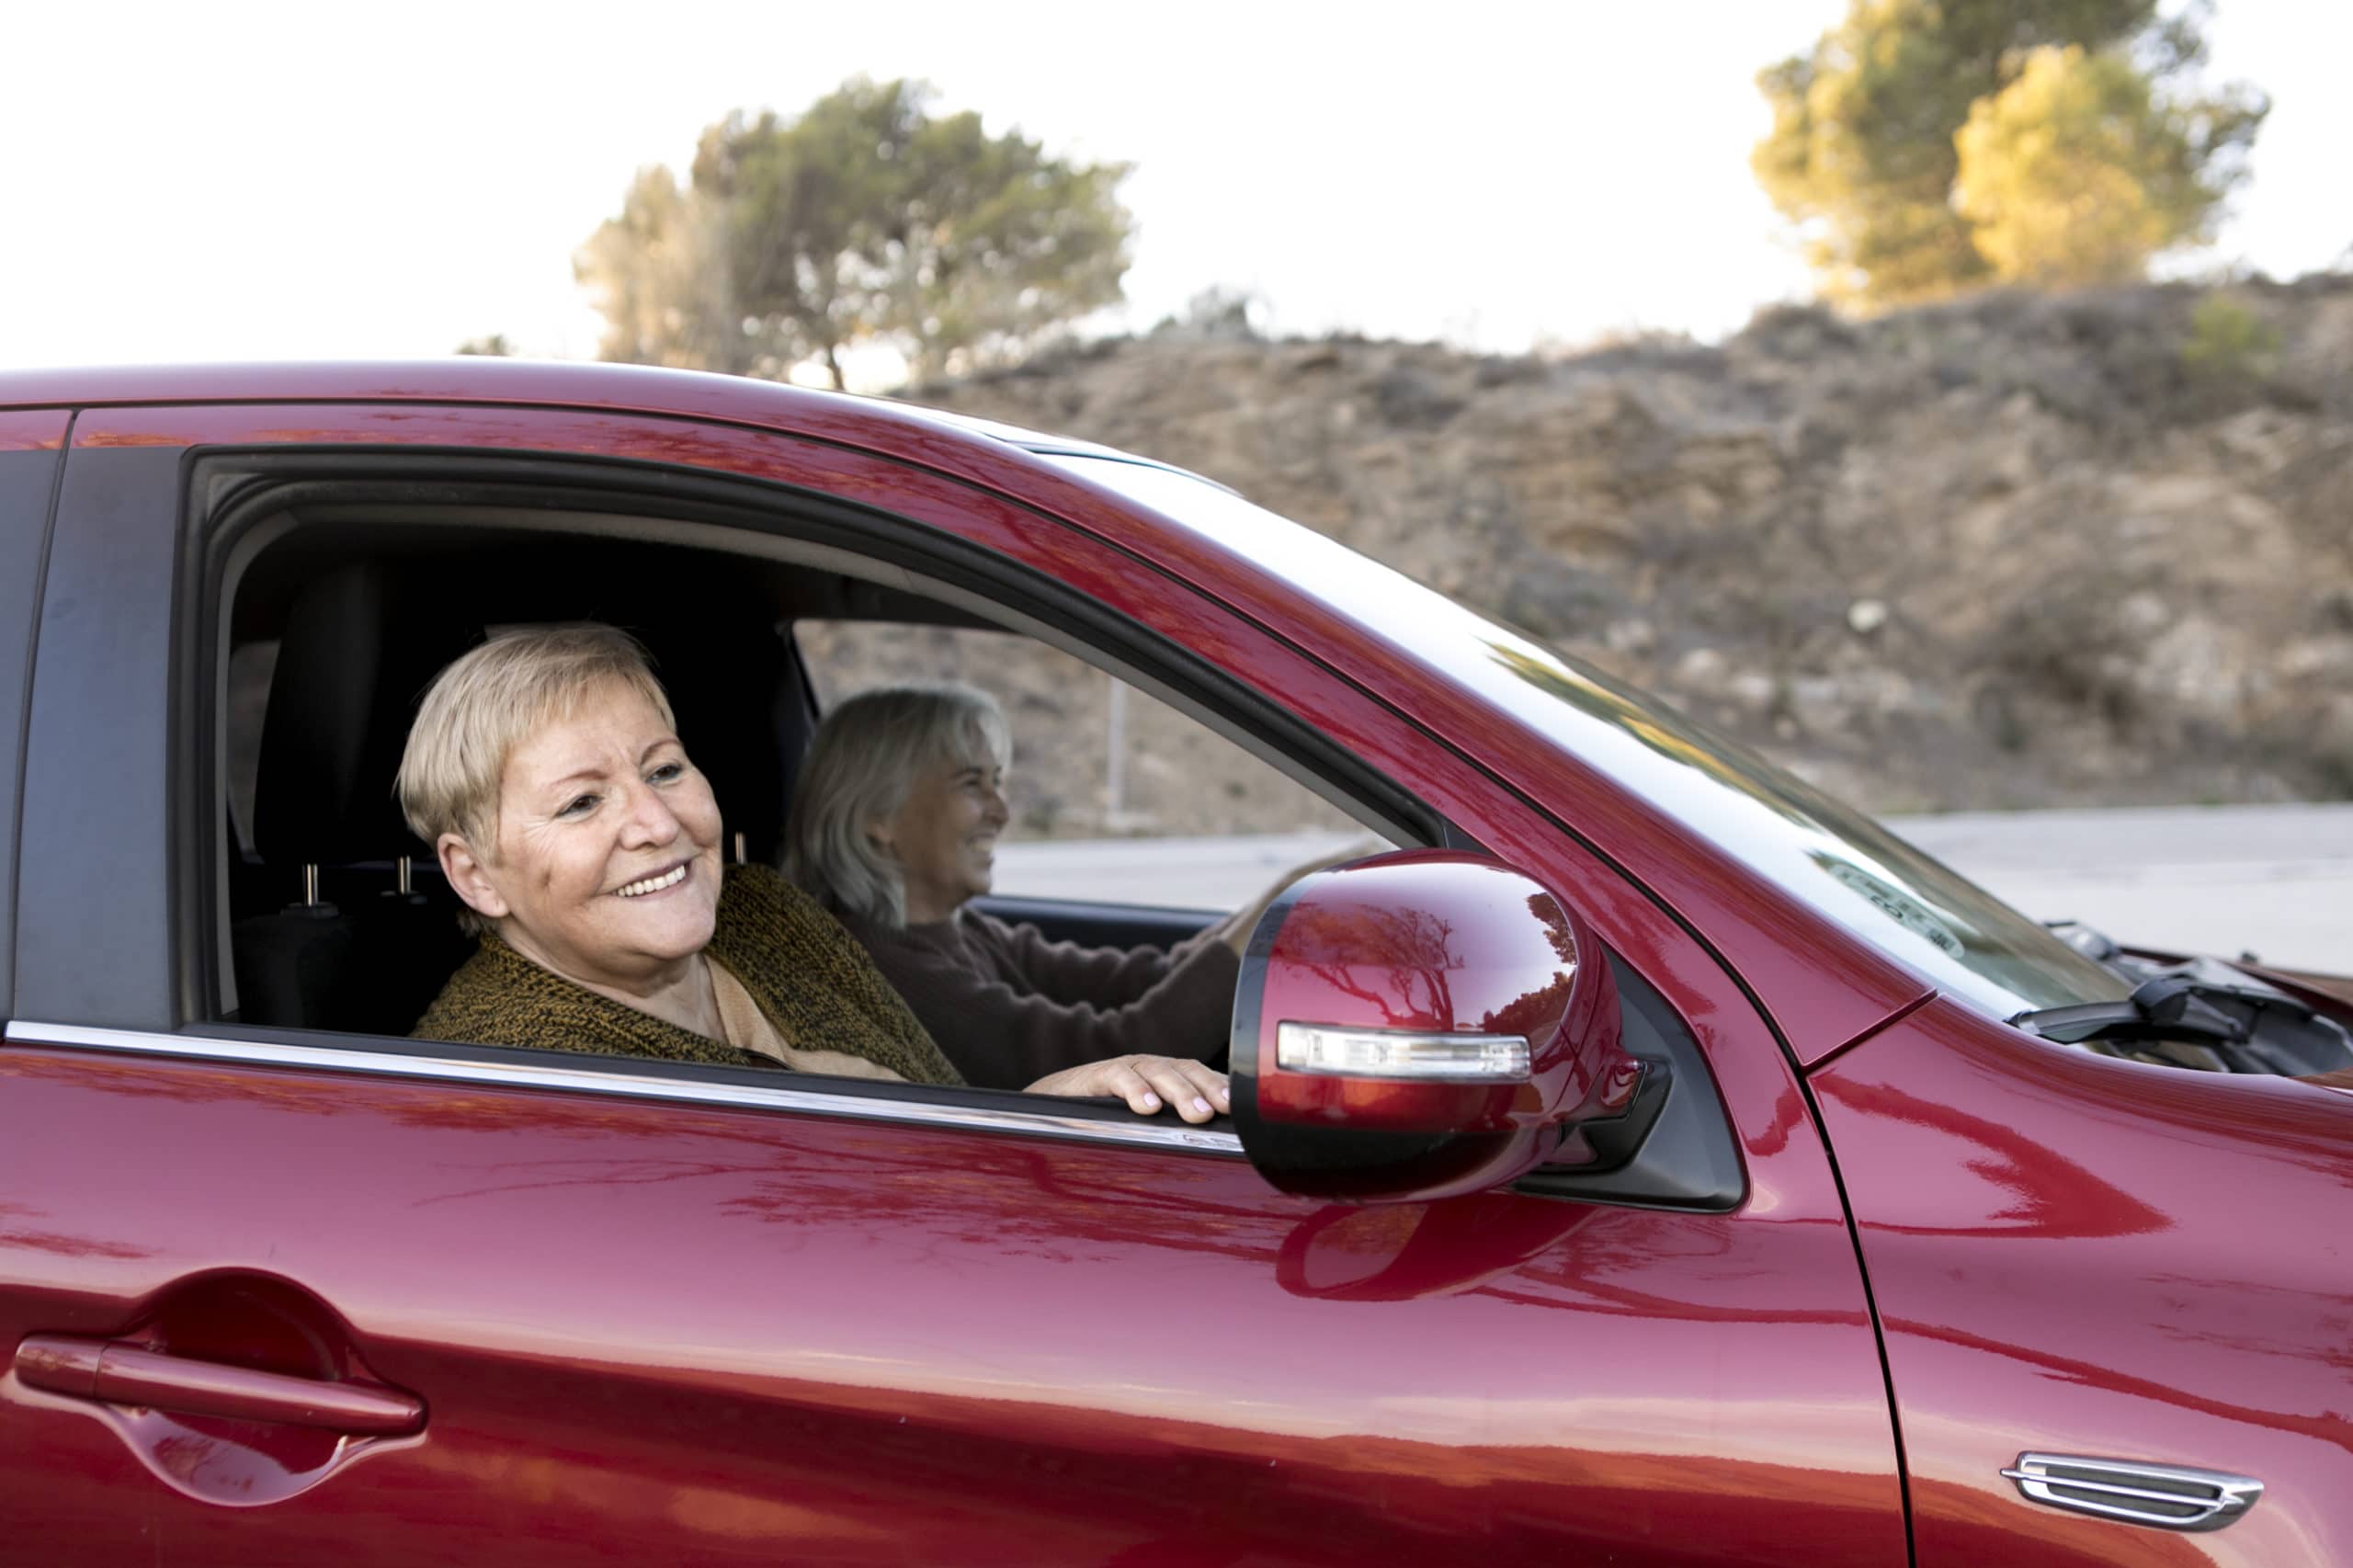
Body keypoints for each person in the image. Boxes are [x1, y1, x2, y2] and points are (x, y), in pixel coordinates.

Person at [397, 625, 1229, 1123]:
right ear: (476, 876)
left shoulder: (761, 910)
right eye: (582, 804)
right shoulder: (511, 1078)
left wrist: (1045, 1107)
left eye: (664, 771)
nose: (655, 824)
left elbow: (926, 1107)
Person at [785, 682, 1364, 1091]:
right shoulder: (886, 968)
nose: (1002, 811)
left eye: (998, 782)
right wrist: (1291, 899)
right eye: (971, 785)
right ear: (878, 817)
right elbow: (1116, 1049)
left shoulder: (958, 932)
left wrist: (1282, 901)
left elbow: (1148, 980)